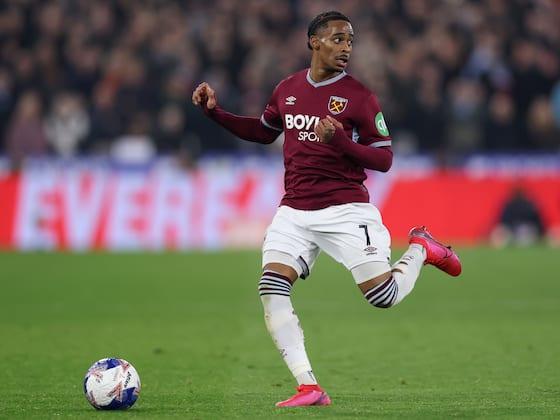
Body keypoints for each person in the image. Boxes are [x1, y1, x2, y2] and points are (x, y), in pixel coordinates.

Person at [192, 11, 462, 407]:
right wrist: (214, 114)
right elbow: (263, 132)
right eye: (338, 39)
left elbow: (384, 159)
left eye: (350, 40)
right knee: (271, 287)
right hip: (294, 210)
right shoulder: (287, 89)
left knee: (383, 296)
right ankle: (309, 387)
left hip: (345, 209)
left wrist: (341, 143)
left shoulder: (360, 97)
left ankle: (421, 247)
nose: (346, 47)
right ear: (314, 41)